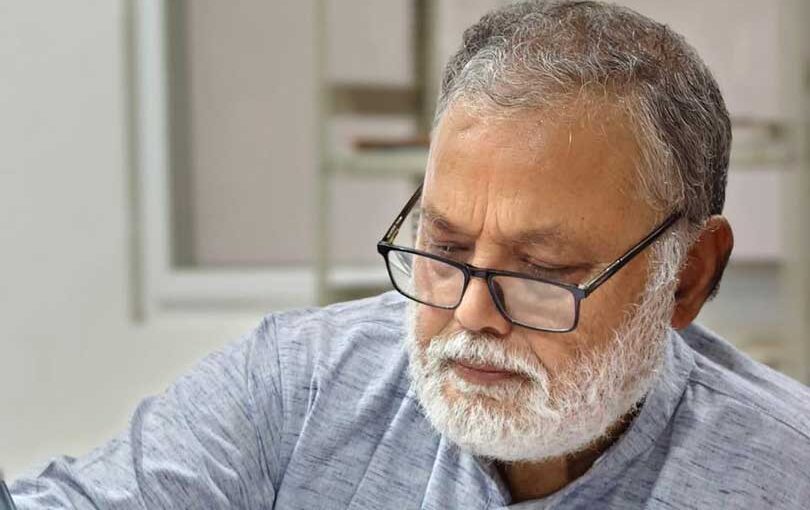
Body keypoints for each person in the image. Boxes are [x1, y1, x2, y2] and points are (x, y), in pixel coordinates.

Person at [10, 1, 810, 508]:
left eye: (540, 270)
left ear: (688, 278)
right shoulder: (299, 389)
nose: (470, 312)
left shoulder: (786, 472)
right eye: (446, 246)